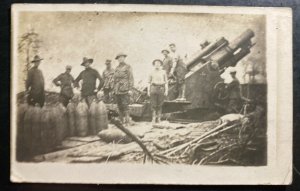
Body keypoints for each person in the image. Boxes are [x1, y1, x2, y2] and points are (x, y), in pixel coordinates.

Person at [113, 53, 134, 126]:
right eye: (119, 58)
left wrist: (130, 89)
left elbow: (131, 78)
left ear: (124, 58)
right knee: (119, 105)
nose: (120, 59)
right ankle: (121, 121)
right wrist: (114, 89)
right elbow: (115, 79)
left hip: (125, 88)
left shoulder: (128, 67)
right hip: (117, 89)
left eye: (122, 57)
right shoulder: (116, 68)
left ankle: (127, 121)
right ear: (117, 59)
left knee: (125, 105)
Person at [148, 59, 168, 123]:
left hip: (161, 89)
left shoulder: (163, 72)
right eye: (156, 63)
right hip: (153, 89)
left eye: (158, 63)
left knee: (160, 104)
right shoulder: (151, 72)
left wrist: (166, 90)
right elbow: (148, 82)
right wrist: (148, 91)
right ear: (154, 64)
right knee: (153, 104)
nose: (157, 64)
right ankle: (153, 118)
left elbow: (166, 82)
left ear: (160, 64)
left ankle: (159, 118)